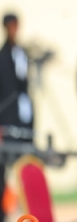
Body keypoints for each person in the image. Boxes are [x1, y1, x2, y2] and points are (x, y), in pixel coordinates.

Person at [1, 13, 33, 222]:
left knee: (25, 165)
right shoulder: (3, 56)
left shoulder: (22, 53)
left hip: (23, 118)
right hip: (7, 119)